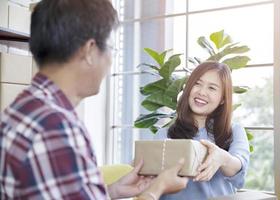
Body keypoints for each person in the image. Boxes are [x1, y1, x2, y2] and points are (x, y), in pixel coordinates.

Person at [0, 0, 188, 199]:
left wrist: (110, 191)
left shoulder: (25, 107)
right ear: (90, 50)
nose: (110, 60)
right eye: (111, 48)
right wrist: (156, 189)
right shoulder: (55, 127)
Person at [160, 62, 250, 200]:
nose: (202, 92)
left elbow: (238, 170)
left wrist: (222, 158)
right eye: (197, 84)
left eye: (212, 88)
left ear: (222, 99)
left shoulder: (234, 131)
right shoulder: (168, 132)